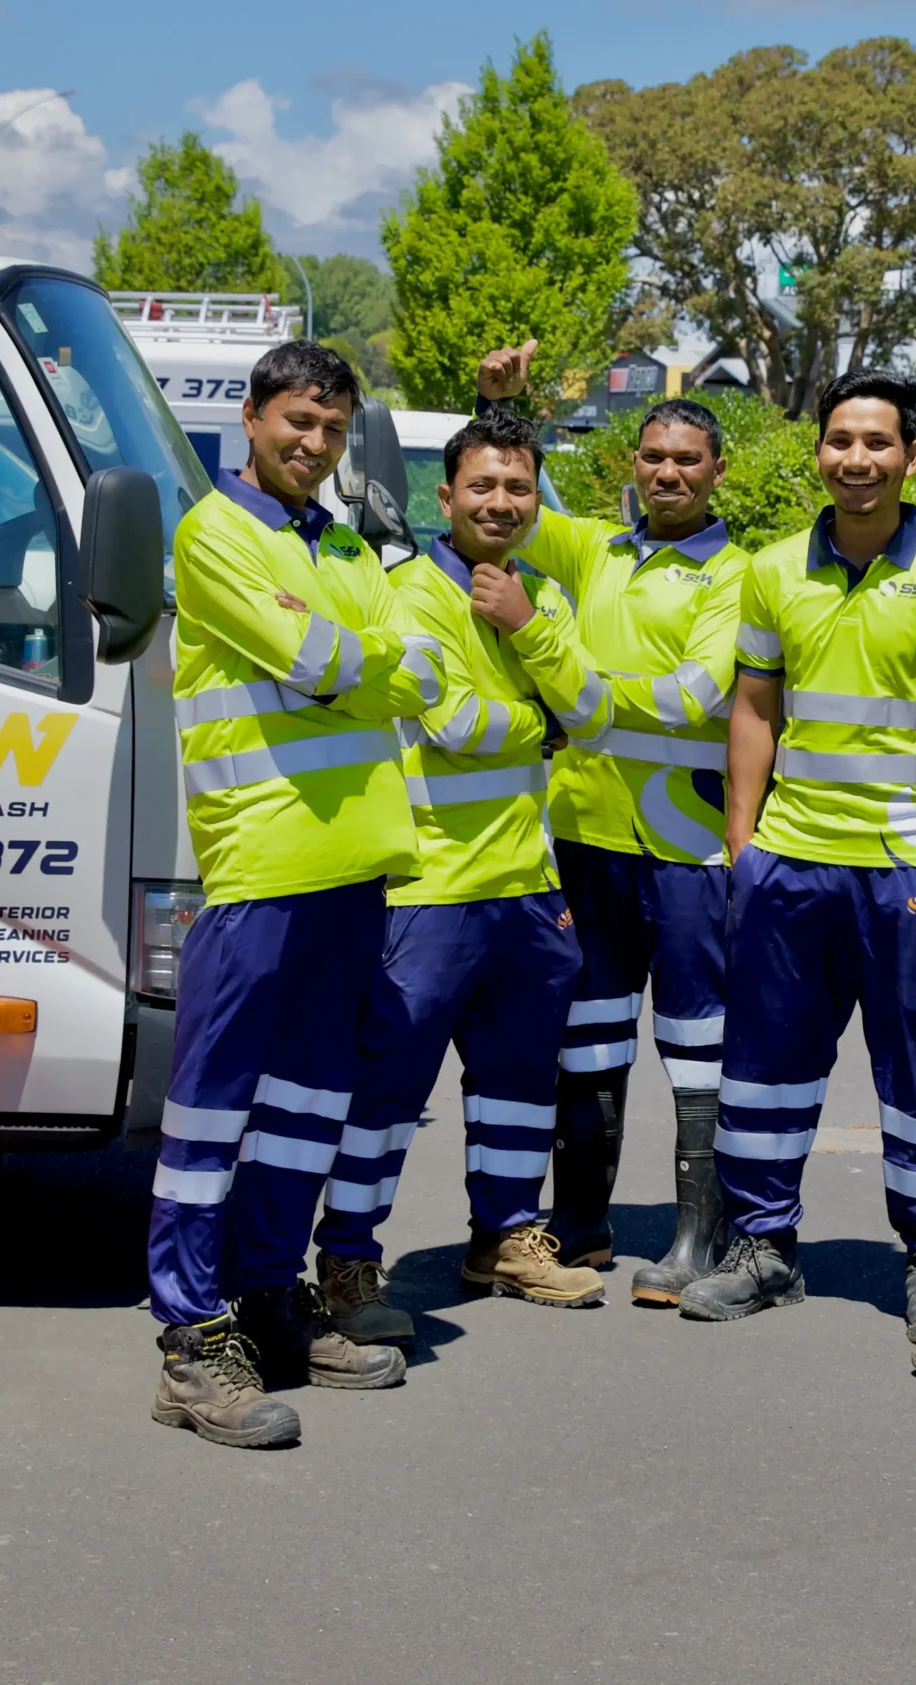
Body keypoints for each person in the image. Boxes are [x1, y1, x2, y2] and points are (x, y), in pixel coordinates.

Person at [146, 340, 444, 1450]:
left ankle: (272, 1297)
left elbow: (423, 668)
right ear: (251, 416)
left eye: (329, 429)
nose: (311, 445)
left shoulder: (347, 543)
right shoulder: (214, 531)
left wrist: (350, 657)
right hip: (263, 867)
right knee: (210, 1110)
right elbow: (323, 658)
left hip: (356, 866)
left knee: (309, 1105)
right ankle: (188, 1338)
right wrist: (355, 658)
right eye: (294, 423)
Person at [679, 369, 916, 1342]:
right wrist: (743, 845)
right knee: (766, 1066)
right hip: (791, 862)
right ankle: (764, 1246)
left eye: (877, 442)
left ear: (910, 455)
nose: (857, 459)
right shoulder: (772, 570)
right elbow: (754, 708)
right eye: (840, 440)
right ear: (817, 449)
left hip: (910, 868)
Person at [313, 411, 614, 1321]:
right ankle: (349, 1261)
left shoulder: (543, 598)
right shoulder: (407, 591)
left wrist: (527, 631)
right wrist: (541, 719)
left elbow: (598, 712)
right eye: (482, 484)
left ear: (535, 498)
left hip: (525, 887)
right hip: (430, 890)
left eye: (518, 485)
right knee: (390, 1093)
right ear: (444, 496)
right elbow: (449, 726)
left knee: (519, 1084)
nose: (500, 500)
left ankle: (507, 1239)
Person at [474, 343, 749, 1306]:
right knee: (587, 1038)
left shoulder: (735, 575)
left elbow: (692, 699)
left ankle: (696, 1238)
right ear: (631, 463)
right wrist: (498, 410)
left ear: (718, 473)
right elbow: (504, 509)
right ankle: (583, 1226)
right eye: (653, 457)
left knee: (694, 1043)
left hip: (685, 852)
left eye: (687, 461)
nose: (667, 473)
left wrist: (566, 677)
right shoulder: (596, 548)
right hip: (586, 843)